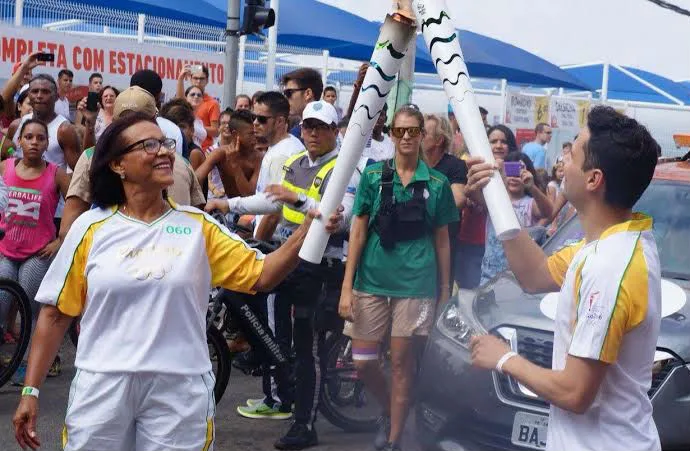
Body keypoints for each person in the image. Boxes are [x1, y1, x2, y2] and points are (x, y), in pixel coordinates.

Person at [12, 112, 343, 451]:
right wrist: (30, 392)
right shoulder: (90, 228)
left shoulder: (197, 227)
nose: (164, 152)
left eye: (166, 144)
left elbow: (263, 274)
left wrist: (308, 231)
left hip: (179, 389)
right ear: (118, 165)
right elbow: (55, 315)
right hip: (102, 386)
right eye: (148, 145)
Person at [467, 105, 662, 451]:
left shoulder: (610, 267)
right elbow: (536, 275)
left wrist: (504, 358)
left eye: (571, 153)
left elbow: (575, 393)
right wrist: (495, 194)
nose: (562, 162)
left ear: (593, 179)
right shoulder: (609, 243)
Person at [207, 100, 356, 450]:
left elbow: (339, 217)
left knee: (308, 350)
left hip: (323, 267)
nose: (313, 133)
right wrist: (227, 205)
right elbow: (271, 201)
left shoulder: (345, 168)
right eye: (307, 126)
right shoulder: (296, 162)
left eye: (321, 127)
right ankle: (275, 366)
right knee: (245, 288)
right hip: (291, 259)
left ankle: (305, 423)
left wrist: (298, 199)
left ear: (335, 131)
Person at [338, 106, 457, 451]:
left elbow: (443, 239)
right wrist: (347, 286)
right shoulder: (374, 176)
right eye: (400, 131)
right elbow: (357, 231)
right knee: (363, 362)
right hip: (371, 280)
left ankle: (393, 440)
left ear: (422, 134)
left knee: (403, 362)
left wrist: (444, 291)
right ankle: (394, 409)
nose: (406, 137)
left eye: (413, 131)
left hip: (416, 284)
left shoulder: (437, 184)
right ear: (391, 133)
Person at [58, 85, 206, 244]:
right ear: (117, 165)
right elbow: (68, 232)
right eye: (127, 123)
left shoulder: (174, 160)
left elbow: (66, 231)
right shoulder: (180, 160)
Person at [0, 119, 70, 384]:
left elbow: (77, 205)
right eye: (28, 137)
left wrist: (60, 240)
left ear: (46, 144)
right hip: (6, 249)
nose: (34, 142)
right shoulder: (6, 167)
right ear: (19, 141)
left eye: (40, 138)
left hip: (37, 253)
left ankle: (31, 364)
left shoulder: (56, 173)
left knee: (29, 308)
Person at [454, 124, 516, 289]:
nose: (498, 145)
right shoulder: (472, 166)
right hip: (471, 241)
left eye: (503, 141)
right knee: (469, 295)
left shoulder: (519, 170)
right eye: (493, 141)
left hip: (505, 248)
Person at [479, 151, 553, 284]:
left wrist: (532, 187)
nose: (514, 177)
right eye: (510, 170)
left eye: (520, 171)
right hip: (489, 275)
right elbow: (471, 193)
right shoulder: (493, 199)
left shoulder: (530, 203)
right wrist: (496, 176)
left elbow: (547, 212)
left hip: (519, 278)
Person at [250, 91, 303, 241]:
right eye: (253, 117)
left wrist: (258, 242)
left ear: (280, 121)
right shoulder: (283, 146)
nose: (255, 123)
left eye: (262, 119)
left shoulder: (283, 155)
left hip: (273, 243)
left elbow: (274, 212)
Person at [176, 65, 220, 149]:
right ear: (190, 79)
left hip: (204, 150)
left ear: (207, 80)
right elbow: (179, 101)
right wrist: (180, 78)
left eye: (202, 78)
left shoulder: (213, 103)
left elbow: (215, 131)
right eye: (195, 78)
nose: (198, 81)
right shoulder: (185, 101)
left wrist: (197, 128)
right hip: (185, 147)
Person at [159, 98, 205, 168]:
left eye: (181, 127)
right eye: (173, 127)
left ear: (192, 130)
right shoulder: (165, 148)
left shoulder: (194, 153)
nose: (177, 131)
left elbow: (188, 178)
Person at [281, 68, 323, 139]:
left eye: (289, 93)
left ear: (308, 94)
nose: (285, 98)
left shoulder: (297, 136)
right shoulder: (330, 129)